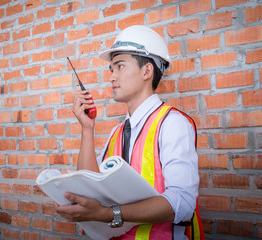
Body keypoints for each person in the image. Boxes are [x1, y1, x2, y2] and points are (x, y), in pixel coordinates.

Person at [55, 25, 204, 240]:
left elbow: (183, 203)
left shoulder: (172, 123)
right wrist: (87, 129)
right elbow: (89, 187)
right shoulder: (117, 132)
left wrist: (108, 214)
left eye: (120, 66)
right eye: (111, 70)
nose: (112, 77)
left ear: (146, 71)